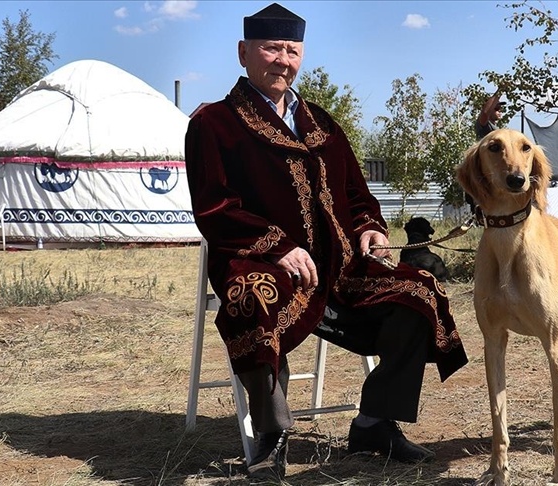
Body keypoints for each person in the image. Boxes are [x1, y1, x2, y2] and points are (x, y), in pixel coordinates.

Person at [184, 3, 468, 480]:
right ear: (243, 53)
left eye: (292, 50)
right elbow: (215, 209)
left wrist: (370, 229)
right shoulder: (214, 124)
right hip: (259, 260)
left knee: (421, 290)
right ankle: (271, 437)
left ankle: (377, 421)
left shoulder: (323, 124)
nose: (282, 60)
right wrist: (278, 246)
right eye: (271, 48)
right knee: (256, 295)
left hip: (340, 265)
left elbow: (357, 196)